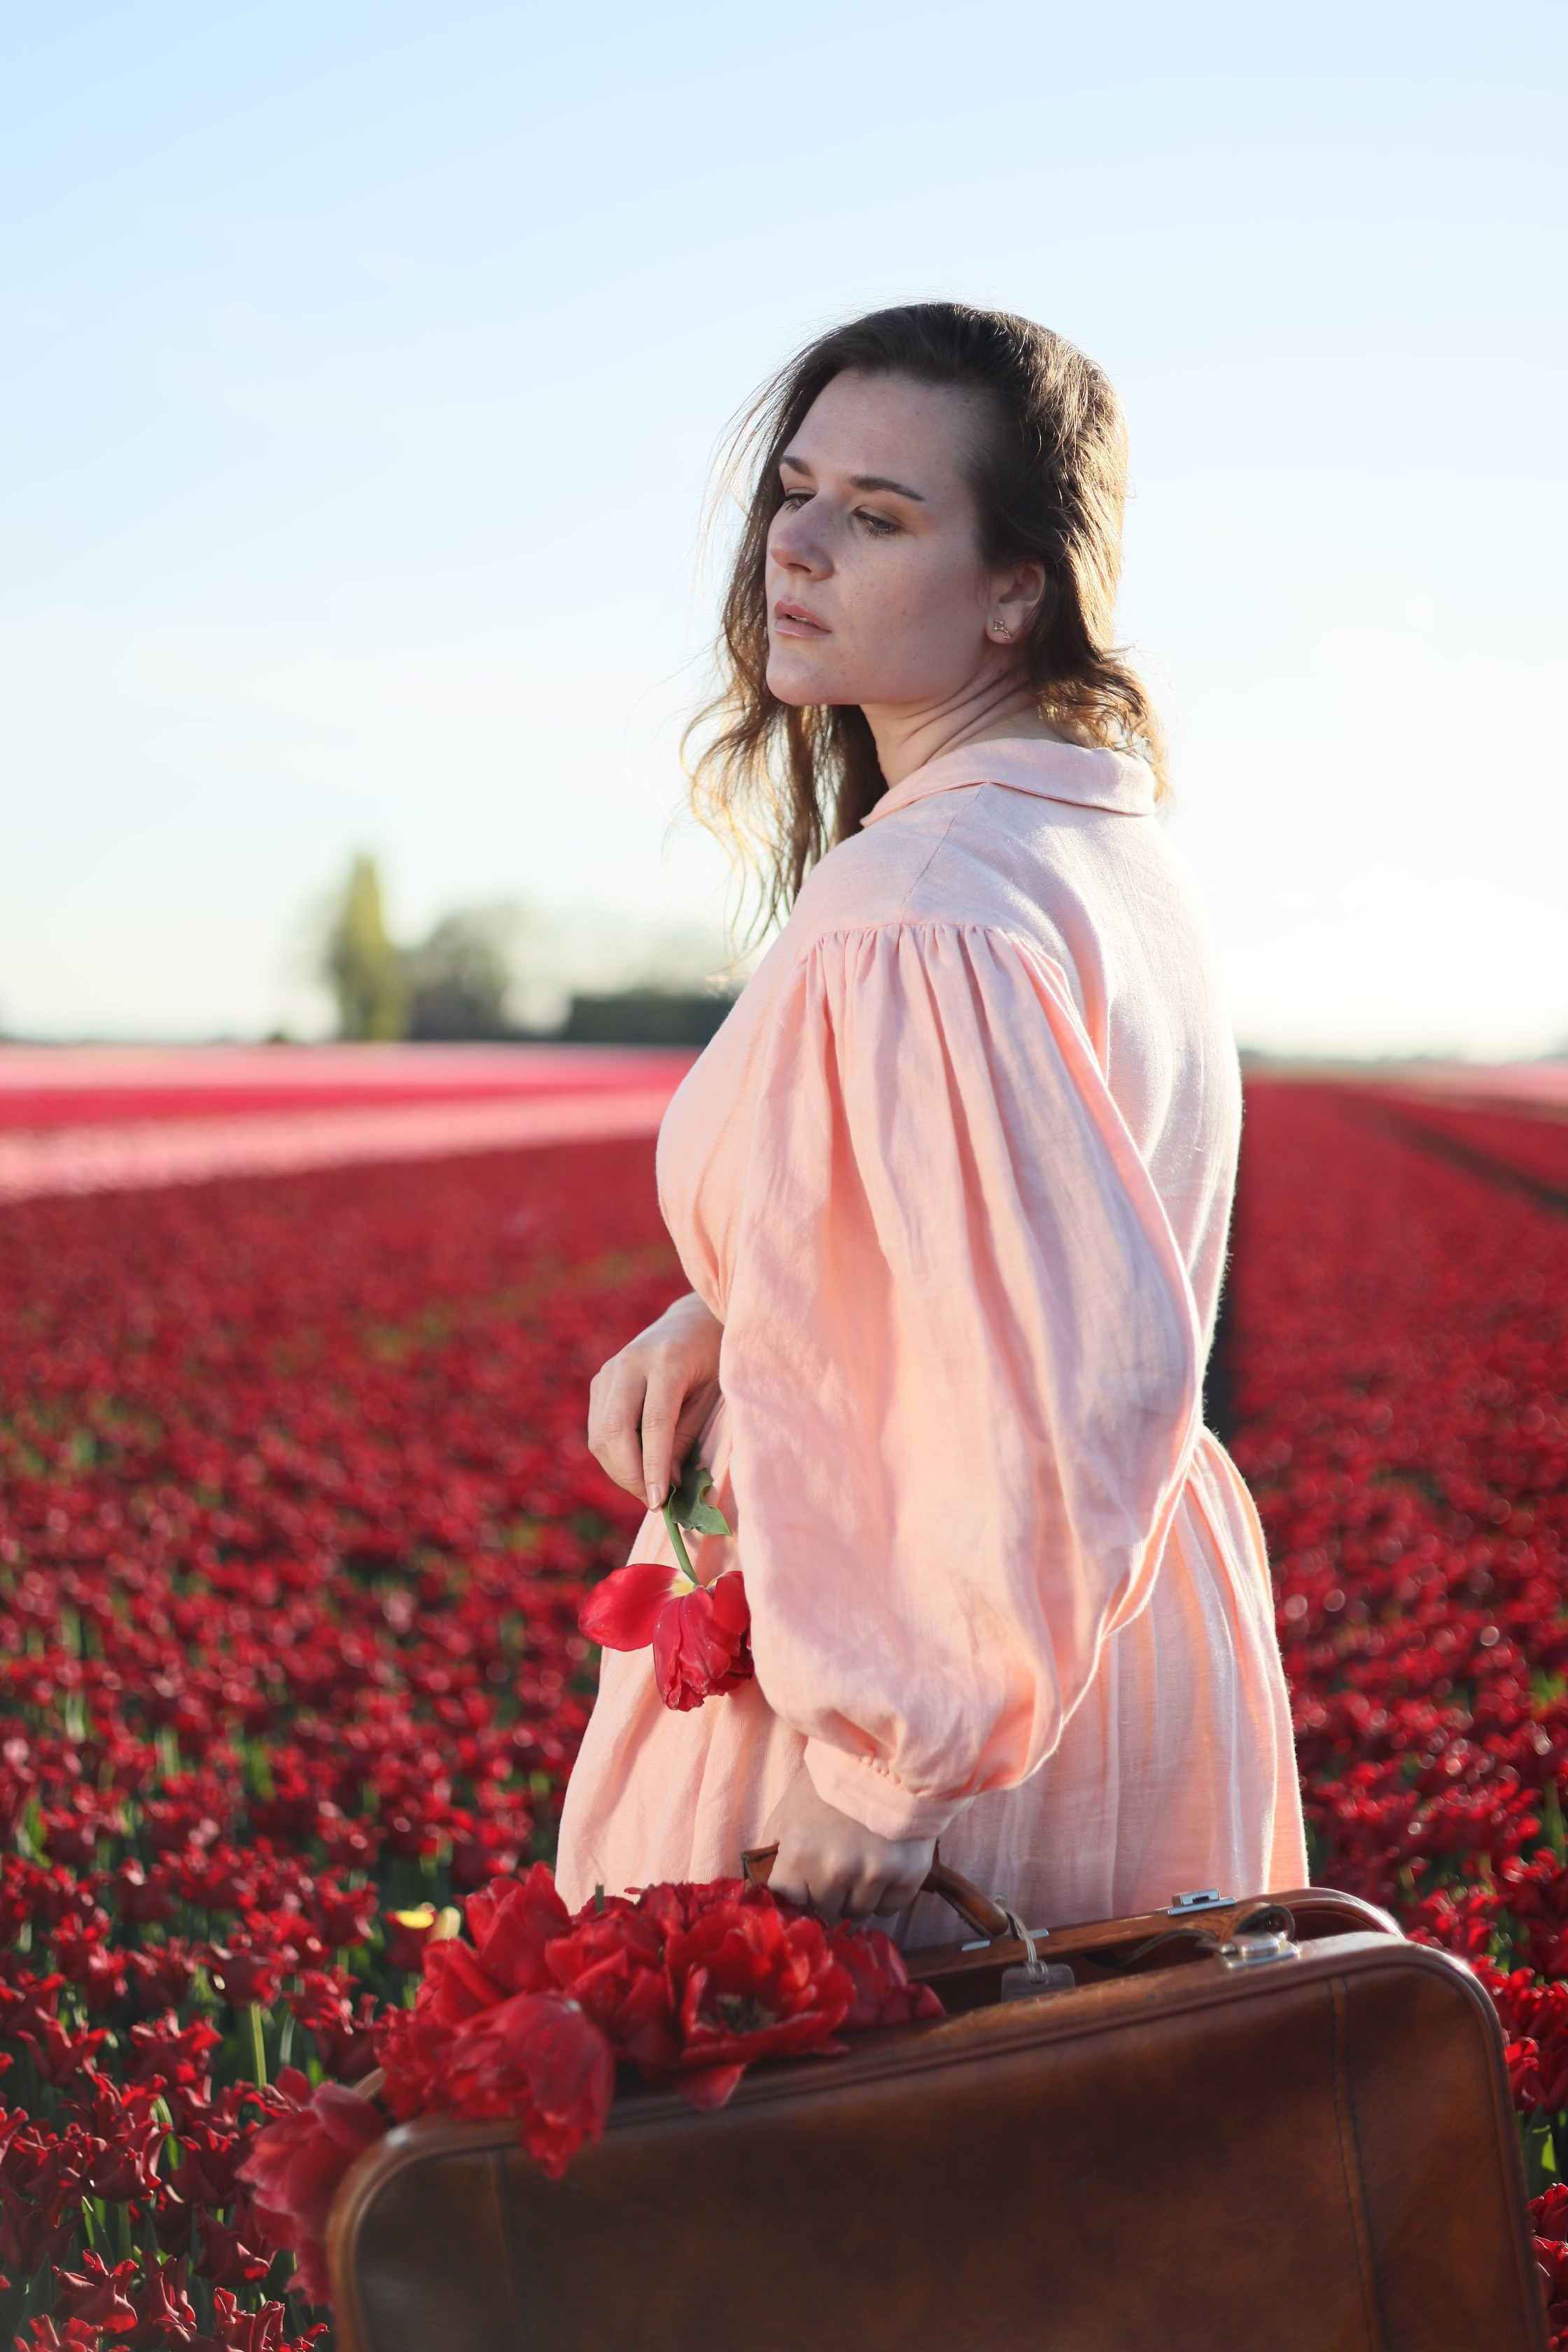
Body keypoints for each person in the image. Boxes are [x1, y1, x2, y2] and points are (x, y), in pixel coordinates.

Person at [555, 302, 1307, 1940]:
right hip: (1115, 1641)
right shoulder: (1099, 851)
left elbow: (1056, 1379)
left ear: (1016, 590)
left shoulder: (924, 899)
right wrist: (743, 1298)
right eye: (795, 492)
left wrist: (881, 1771)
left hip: (912, 1673)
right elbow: (1028, 1264)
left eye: (878, 516)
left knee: (843, 2174)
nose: (796, 546)